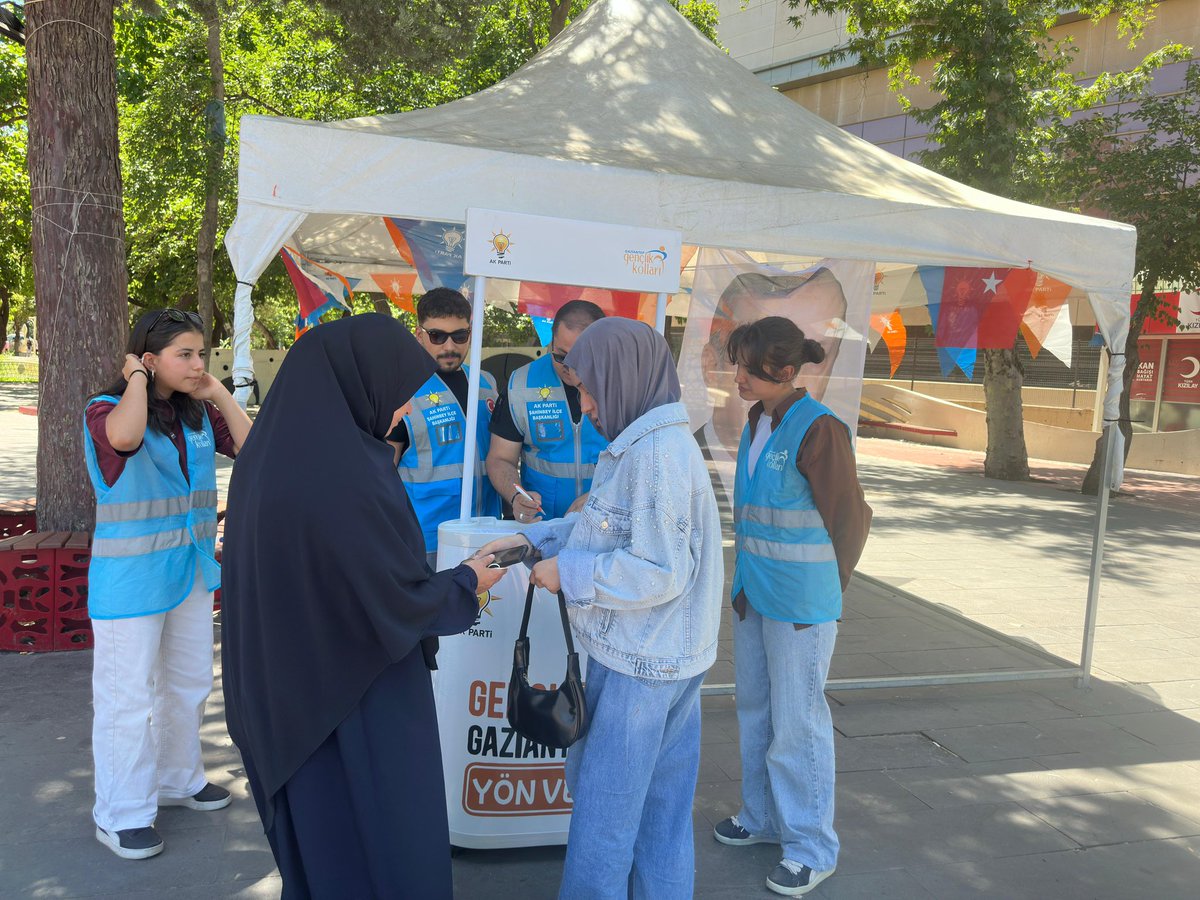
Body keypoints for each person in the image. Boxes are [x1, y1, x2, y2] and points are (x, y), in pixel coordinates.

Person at [221, 314, 503, 900]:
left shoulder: (270, 458)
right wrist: (467, 582)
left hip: (288, 692)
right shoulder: (346, 472)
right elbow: (390, 596)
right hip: (358, 690)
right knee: (385, 840)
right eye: (396, 397)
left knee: (324, 844)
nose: (400, 412)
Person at [478, 318, 723, 900]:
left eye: (589, 389)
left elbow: (659, 569)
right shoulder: (651, 443)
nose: (584, 405)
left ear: (621, 379)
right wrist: (534, 542)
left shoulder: (655, 454)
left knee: (605, 818)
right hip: (662, 657)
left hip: (640, 663)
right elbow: (606, 531)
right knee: (660, 816)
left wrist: (569, 573)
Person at [82, 307, 253, 860]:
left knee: (188, 685)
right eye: (186, 354)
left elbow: (255, 450)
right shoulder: (105, 409)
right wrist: (135, 377)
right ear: (150, 359)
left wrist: (220, 394)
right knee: (125, 699)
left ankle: (178, 779)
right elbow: (126, 439)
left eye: (201, 352)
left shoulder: (198, 416)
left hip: (190, 573)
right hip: (130, 582)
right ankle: (121, 813)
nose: (198, 363)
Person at [710, 316, 872, 897]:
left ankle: (811, 846)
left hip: (801, 602)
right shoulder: (759, 419)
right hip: (755, 593)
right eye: (736, 366)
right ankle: (763, 818)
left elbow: (850, 520)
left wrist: (828, 587)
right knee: (756, 709)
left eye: (748, 369)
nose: (738, 378)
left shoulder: (819, 429)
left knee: (799, 723)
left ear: (782, 372)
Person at [389, 287, 500, 566]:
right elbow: (381, 471)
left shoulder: (486, 384)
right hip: (424, 539)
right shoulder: (400, 389)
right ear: (419, 334)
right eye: (437, 336)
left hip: (484, 535)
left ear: (470, 334)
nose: (449, 347)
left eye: (459, 336)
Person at [486, 299, 608, 522]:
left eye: (579, 357)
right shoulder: (522, 383)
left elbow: (644, 462)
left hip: (605, 526)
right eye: (560, 355)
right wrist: (516, 496)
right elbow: (500, 458)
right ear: (551, 341)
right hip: (542, 528)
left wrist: (603, 496)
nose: (568, 367)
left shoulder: (623, 384)